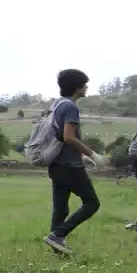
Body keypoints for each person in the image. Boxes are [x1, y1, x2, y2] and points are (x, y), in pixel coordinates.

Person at [44, 69, 107, 254]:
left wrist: (83, 155)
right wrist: (92, 154)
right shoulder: (71, 107)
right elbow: (69, 137)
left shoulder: (56, 105)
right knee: (92, 203)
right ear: (77, 87)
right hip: (70, 165)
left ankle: (57, 247)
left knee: (61, 208)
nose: (86, 87)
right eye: (84, 84)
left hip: (56, 163)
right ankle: (58, 235)